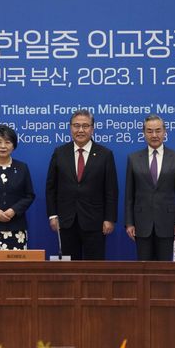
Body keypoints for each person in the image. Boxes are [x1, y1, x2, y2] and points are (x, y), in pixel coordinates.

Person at [45, 109, 118, 260]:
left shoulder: (105, 154)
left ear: (92, 128)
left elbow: (111, 190)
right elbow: (51, 187)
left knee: (95, 269)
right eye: (76, 125)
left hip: (95, 222)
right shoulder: (60, 152)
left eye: (85, 126)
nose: (80, 130)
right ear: (70, 127)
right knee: (69, 268)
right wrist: (52, 215)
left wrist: (109, 218)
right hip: (66, 221)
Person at [125, 115, 175, 260]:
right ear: (144, 133)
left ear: (165, 132)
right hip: (141, 224)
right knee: (144, 269)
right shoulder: (133, 158)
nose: (154, 135)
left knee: (164, 271)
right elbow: (129, 195)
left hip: (167, 223)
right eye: (150, 131)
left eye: (158, 130)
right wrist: (129, 222)